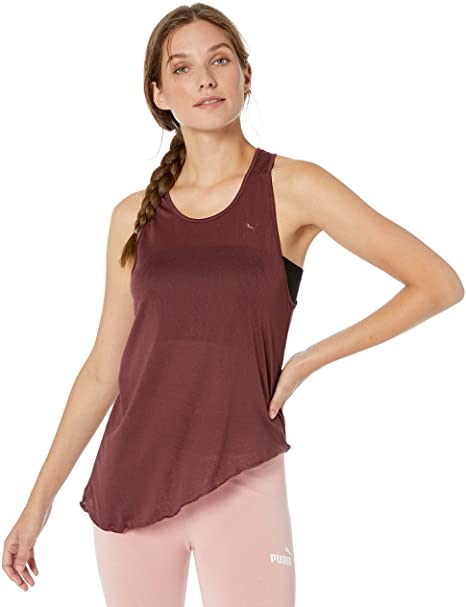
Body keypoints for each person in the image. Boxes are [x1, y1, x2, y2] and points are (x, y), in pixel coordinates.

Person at [2, 4, 464, 606]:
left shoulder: (293, 187)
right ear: (159, 94)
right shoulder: (132, 216)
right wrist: (36, 505)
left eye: (219, 61)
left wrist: (306, 361)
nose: (205, 79)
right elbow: (103, 370)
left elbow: (438, 283)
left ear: (247, 74)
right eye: (182, 68)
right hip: (132, 483)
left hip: (242, 472)